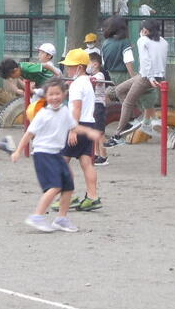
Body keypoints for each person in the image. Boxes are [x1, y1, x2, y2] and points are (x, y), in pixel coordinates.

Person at [12, 78, 103, 232]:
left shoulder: (65, 111)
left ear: (64, 94)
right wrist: (18, 151)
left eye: (57, 94)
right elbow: (29, 133)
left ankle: (61, 219)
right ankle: (37, 216)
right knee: (55, 186)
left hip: (56, 153)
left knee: (68, 185)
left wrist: (89, 132)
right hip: (43, 154)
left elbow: (74, 127)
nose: (54, 97)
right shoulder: (42, 114)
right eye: (51, 94)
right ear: (46, 97)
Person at [107, 19, 167, 146]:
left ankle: (118, 136)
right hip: (154, 76)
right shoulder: (163, 41)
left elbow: (145, 60)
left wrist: (150, 78)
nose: (141, 31)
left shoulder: (142, 40)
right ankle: (134, 120)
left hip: (146, 76)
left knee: (128, 103)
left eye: (142, 29)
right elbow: (160, 60)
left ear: (145, 30)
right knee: (119, 90)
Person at [57, 48, 102, 211]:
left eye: (70, 66)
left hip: (78, 124)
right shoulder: (87, 82)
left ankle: (70, 196)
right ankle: (92, 196)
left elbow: (76, 107)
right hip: (89, 123)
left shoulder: (77, 84)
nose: (68, 69)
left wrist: (73, 130)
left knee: (61, 160)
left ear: (79, 67)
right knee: (86, 162)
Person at [88, 52, 109, 166]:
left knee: (100, 132)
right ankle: (96, 153)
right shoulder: (91, 75)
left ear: (95, 64)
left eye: (88, 63)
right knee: (95, 131)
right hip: (93, 105)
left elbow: (97, 81)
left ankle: (104, 156)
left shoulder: (100, 75)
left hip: (98, 105)